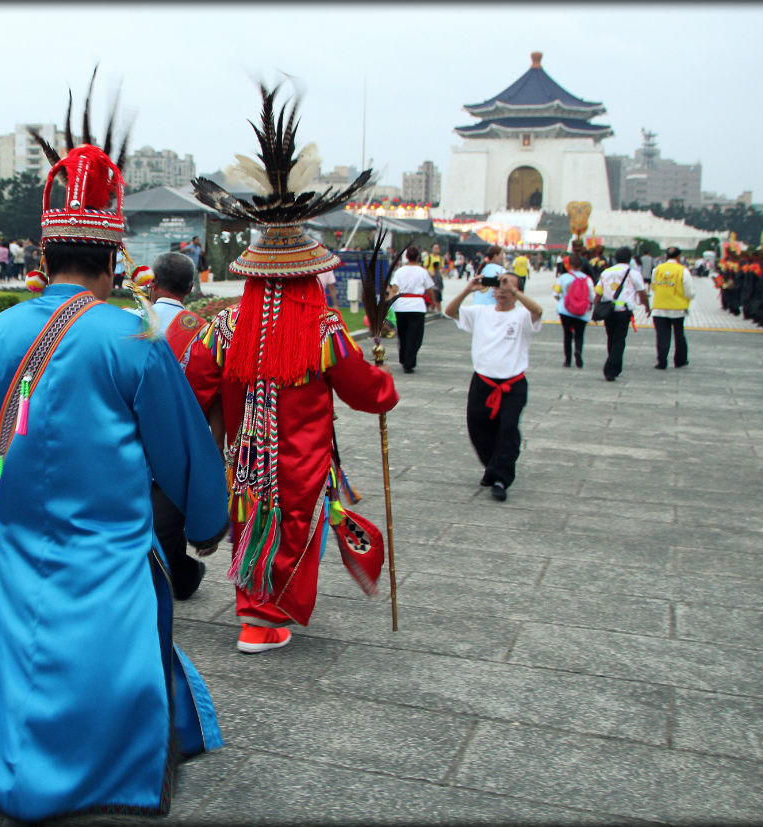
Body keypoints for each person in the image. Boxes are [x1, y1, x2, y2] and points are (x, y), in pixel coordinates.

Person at [0, 93, 229, 821]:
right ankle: (110, 771)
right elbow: (181, 447)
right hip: (114, 555)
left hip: (22, 546)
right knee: (116, 668)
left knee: (21, 663)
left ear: (44, 250)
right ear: (114, 256)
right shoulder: (132, 339)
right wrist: (206, 521)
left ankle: (19, 766)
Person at [186, 83, 397, 654]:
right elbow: (365, 391)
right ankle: (267, 617)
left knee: (254, 520)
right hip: (303, 459)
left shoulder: (226, 328)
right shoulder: (324, 331)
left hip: (247, 455)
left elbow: (191, 385)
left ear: (254, 275)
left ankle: (255, 614)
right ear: (309, 275)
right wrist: (386, 387)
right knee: (295, 528)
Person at [138, 251, 211, 600]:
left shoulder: (129, 320)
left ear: (152, 284)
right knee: (168, 520)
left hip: (129, 440)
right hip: (176, 446)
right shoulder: (203, 332)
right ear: (191, 288)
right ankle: (175, 571)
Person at [444, 271, 543, 502]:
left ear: (517, 291)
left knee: (507, 429)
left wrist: (515, 290)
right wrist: (468, 289)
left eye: (507, 286)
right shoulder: (481, 313)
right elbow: (450, 312)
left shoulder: (521, 316)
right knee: (478, 427)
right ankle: (493, 466)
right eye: (498, 285)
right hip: (483, 383)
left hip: (512, 385)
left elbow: (538, 312)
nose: (502, 289)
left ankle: (501, 478)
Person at [594, 246, 650, 381]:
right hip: (623, 311)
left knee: (611, 338)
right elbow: (642, 292)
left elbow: (598, 292)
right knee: (619, 340)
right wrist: (647, 306)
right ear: (630, 258)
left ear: (615, 258)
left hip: (608, 311)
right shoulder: (633, 273)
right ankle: (611, 369)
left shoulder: (606, 272)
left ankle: (614, 365)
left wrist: (595, 309)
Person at [386, 244, 437, 373]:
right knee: (415, 336)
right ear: (418, 257)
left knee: (403, 334)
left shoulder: (400, 271)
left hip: (401, 305)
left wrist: (388, 303)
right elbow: (430, 289)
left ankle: (404, 358)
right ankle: (409, 361)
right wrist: (433, 302)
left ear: (407, 257)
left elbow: (394, 289)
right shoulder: (422, 271)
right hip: (417, 306)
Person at [650, 247, 696, 369]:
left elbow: (653, 287)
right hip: (678, 309)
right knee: (679, 335)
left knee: (662, 336)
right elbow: (689, 292)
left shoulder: (657, 270)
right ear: (678, 256)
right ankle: (680, 360)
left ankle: (662, 361)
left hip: (659, 307)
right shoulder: (683, 271)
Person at [552, 253, 593, 368]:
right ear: (582, 265)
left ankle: (567, 360)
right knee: (579, 335)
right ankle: (578, 351)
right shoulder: (587, 279)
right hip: (582, 312)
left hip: (565, 311)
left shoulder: (563, 278)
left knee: (567, 335)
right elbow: (592, 296)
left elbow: (555, 293)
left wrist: (563, 299)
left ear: (569, 265)